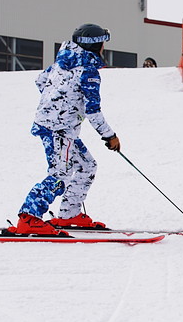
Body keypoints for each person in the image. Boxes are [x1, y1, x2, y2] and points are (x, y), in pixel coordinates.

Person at [7, 23, 120, 237]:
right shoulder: (88, 70)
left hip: (51, 124)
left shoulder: (62, 61)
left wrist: (57, 103)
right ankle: (29, 217)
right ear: (95, 45)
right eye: (103, 43)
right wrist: (110, 136)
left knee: (86, 166)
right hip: (60, 129)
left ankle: (69, 215)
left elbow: (41, 81)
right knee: (61, 173)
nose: (104, 47)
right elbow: (93, 111)